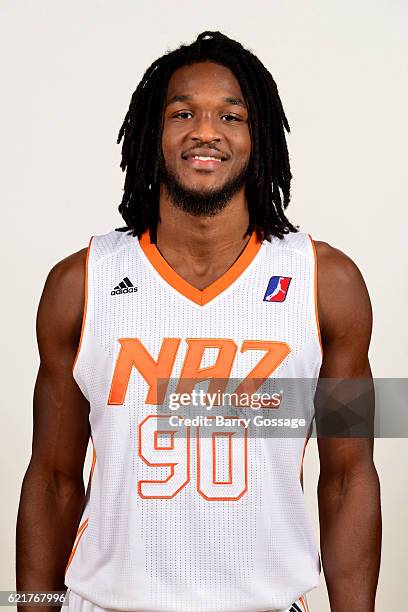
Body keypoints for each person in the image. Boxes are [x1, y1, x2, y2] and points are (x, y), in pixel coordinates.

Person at [16, 31, 381, 612]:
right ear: (151, 135)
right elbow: (54, 480)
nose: (205, 131)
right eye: (182, 112)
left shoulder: (328, 284)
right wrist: (31, 607)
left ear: (256, 137)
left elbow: (349, 478)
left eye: (230, 116)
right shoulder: (78, 285)